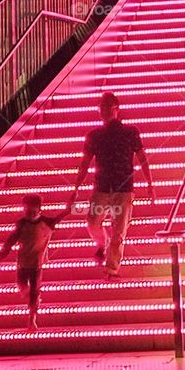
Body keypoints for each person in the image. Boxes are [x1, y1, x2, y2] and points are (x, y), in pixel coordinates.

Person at [68, 92, 155, 276]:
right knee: (93, 222)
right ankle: (103, 243)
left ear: (117, 109)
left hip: (122, 189)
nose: (105, 111)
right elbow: (84, 163)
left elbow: (142, 158)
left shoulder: (130, 132)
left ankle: (112, 268)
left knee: (119, 231)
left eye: (109, 107)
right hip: (102, 187)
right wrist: (75, 188)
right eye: (103, 107)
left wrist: (150, 183)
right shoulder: (94, 135)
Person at [0, 193, 70, 331]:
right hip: (22, 262)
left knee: (34, 291)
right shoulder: (21, 223)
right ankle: (32, 302)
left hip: (37, 263)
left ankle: (32, 318)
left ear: (39, 210)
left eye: (32, 211)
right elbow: (11, 239)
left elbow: (60, 217)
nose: (29, 214)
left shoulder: (46, 222)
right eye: (26, 211)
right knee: (22, 285)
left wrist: (68, 207)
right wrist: (3, 253)